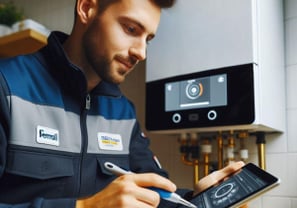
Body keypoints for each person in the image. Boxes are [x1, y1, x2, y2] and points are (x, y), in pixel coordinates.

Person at [0, 0, 245, 207]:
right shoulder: (7, 86)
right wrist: (85, 206)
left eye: (147, 39)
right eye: (130, 29)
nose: (141, 52)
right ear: (86, 8)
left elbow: (154, 194)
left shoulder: (123, 113)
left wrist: (195, 199)